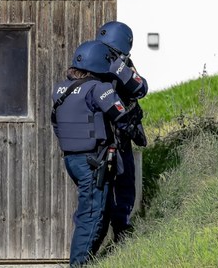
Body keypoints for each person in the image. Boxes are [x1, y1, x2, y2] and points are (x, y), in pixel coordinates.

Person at [51, 40, 139, 267]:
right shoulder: (99, 89)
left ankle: (90, 261)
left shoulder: (60, 90)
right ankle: (78, 264)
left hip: (73, 160)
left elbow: (56, 125)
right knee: (92, 215)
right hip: (93, 161)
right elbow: (121, 116)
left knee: (96, 210)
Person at [95, 20, 148, 243]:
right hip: (118, 134)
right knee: (123, 186)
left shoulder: (90, 60)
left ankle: (98, 239)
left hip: (95, 139)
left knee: (98, 192)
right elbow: (140, 87)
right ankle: (121, 233)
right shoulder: (117, 64)